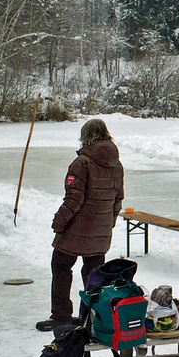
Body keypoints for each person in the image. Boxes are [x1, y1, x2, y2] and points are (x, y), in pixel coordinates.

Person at [37, 119, 124, 334]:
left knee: (61, 267)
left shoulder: (82, 163)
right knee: (94, 275)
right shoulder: (117, 164)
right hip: (100, 231)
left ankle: (61, 316)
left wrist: (59, 222)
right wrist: (109, 224)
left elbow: (73, 200)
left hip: (77, 230)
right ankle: (92, 317)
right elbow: (118, 199)